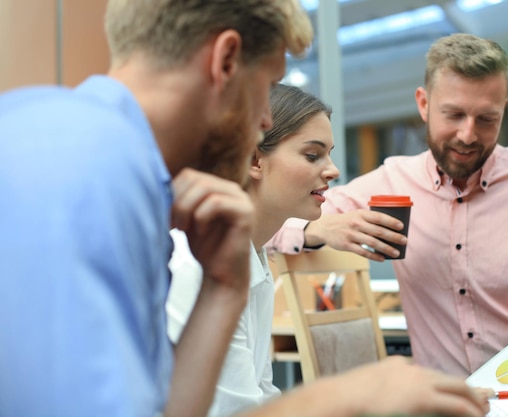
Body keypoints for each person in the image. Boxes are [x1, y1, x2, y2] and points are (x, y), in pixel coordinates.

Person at [267, 33, 508, 416]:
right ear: (423, 104)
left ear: (504, 110)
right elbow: (268, 223)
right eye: (454, 115)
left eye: (487, 119)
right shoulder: (391, 183)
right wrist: (318, 231)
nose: (468, 135)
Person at [0, 1, 312, 416]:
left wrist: (222, 290)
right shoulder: (88, 171)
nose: (268, 120)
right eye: (267, 85)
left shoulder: (84, 146)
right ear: (226, 60)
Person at [166, 83, 340, 417]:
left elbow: (262, 392)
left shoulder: (254, 258)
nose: (333, 170)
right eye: (313, 155)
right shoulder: (196, 266)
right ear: (255, 159)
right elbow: (234, 411)